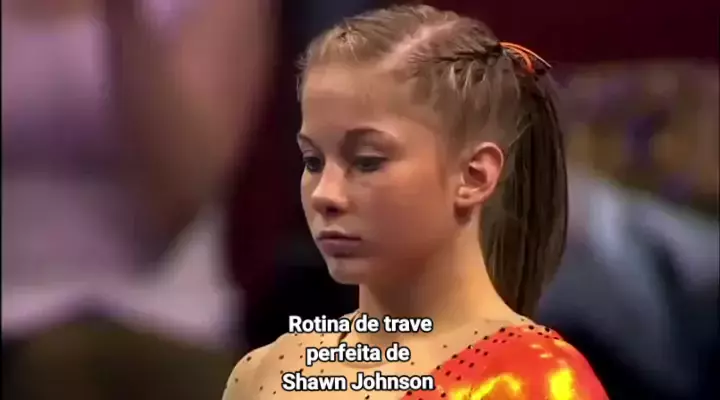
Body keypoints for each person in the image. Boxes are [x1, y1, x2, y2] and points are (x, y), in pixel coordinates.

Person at [222, 5, 607, 400]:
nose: (325, 194)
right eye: (313, 161)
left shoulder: (537, 380)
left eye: (367, 161)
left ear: (473, 176)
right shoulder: (266, 373)